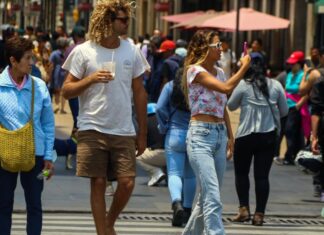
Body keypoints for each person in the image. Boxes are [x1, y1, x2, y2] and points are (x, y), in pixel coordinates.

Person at [61, 1, 148, 235]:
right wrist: (90, 79)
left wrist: (143, 134)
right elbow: (66, 90)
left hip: (123, 128)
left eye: (127, 19)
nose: (127, 23)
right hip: (92, 126)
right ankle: (103, 232)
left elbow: (140, 92)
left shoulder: (131, 50)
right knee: (98, 182)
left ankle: (109, 223)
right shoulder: (84, 51)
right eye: (122, 19)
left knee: (127, 181)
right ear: (108, 21)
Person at [181, 30, 250, 235]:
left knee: (207, 197)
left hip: (219, 134)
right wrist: (244, 68)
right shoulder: (194, 71)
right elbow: (227, 88)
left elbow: (223, 105)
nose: (222, 49)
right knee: (213, 196)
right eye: (217, 46)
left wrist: (230, 135)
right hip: (200, 136)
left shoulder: (219, 72)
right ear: (205, 48)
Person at [0, 36, 55, 235]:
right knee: (3, 206)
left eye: (32, 58)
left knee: (34, 206)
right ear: (13, 61)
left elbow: (48, 123)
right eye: (27, 58)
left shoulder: (39, 86)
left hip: (37, 155)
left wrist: (49, 156)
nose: (32, 63)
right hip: (4, 155)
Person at [227, 52, 288, 226]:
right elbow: (284, 111)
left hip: (245, 136)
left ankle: (244, 210)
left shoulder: (243, 85)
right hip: (267, 136)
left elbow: (230, 106)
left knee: (241, 173)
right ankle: (259, 214)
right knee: (262, 177)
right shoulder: (276, 85)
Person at [156, 68, 196, 227]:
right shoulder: (197, 87)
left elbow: (159, 107)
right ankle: (187, 210)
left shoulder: (170, 86)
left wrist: (164, 124)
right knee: (190, 176)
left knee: (174, 173)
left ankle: (176, 203)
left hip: (174, 133)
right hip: (194, 134)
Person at [136, 103, 166, 187]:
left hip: (157, 153)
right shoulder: (165, 120)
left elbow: (142, 143)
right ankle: (168, 175)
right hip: (171, 154)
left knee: (135, 154)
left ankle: (156, 172)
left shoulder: (145, 122)